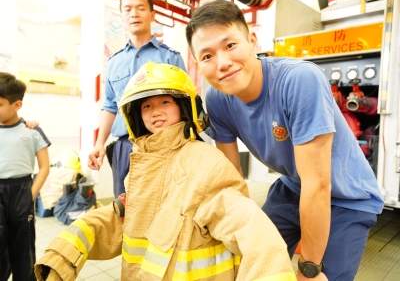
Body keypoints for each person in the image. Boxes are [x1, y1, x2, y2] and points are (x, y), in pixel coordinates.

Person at [34, 62, 296, 281]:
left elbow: (252, 229)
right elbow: (128, 219)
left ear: (184, 107)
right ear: (135, 116)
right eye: (146, 106)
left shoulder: (206, 162)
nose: (155, 111)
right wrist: (61, 255)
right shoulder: (144, 160)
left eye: (164, 101)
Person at [185, 0, 384, 281]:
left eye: (230, 45)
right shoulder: (217, 100)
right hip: (292, 187)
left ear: (252, 41)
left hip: (348, 197)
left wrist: (310, 265)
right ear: (198, 64)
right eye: (207, 56)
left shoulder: (299, 81)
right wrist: (239, 233)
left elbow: (318, 184)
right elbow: (231, 179)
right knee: (248, 260)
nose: (223, 63)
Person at [88, 0, 186, 198]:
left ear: (152, 14)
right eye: (128, 9)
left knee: (167, 205)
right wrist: (99, 143)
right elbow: (110, 105)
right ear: (122, 16)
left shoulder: (171, 58)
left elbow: (186, 104)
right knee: (125, 208)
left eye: (140, 8)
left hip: (164, 145)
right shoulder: (114, 62)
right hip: (125, 148)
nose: (134, 13)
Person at [0, 72, 51, 281]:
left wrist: (30, 195)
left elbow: (45, 166)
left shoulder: (31, 130)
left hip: (22, 189)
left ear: (17, 105)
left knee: (23, 247)